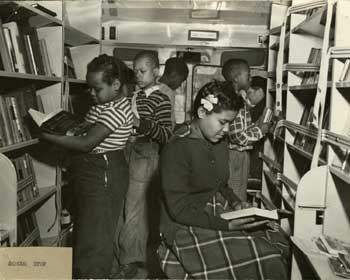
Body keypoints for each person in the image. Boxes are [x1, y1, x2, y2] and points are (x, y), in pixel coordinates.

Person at [158, 81, 290, 279]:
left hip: (217, 212)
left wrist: (237, 202)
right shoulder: (177, 148)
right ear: (202, 112)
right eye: (222, 122)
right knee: (268, 257)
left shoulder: (218, 140)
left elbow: (221, 183)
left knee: (278, 240)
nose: (228, 129)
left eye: (231, 122)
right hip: (186, 224)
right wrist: (226, 225)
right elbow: (178, 210)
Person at [40, 54, 133, 279]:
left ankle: (92, 275)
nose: (91, 93)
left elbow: (86, 142)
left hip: (104, 172)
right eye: (89, 87)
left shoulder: (118, 109)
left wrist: (46, 135)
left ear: (116, 85)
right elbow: (84, 129)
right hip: (90, 171)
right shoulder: (102, 104)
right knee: (87, 232)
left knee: (96, 237)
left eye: (97, 88)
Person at [114, 50, 173, 278]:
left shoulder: (162, 98)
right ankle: (121, 255)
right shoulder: (134, 96)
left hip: (147, 153)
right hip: (128, 150)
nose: (137, 75)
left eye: (143, 71)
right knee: (123, 206)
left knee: (135, 210)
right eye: (135, 71)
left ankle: (132, 260)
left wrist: (140, 124)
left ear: (156, 72)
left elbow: (166, 134)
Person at [222, 58, 268, 202]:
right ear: (236, 78)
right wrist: (261, 131)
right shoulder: (233, 100)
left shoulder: (239, 97)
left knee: (240, 193)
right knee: (235, 196)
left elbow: (244, 128)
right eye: (247, 74)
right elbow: (238, 137)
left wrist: (260, 124)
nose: (251, 77)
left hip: (241, 154)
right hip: (234, 155)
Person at [158, 57, 189, 127]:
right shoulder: (165, 92)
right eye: (181, 80)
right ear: (173, 74)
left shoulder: (168, 90)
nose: (180, 85)